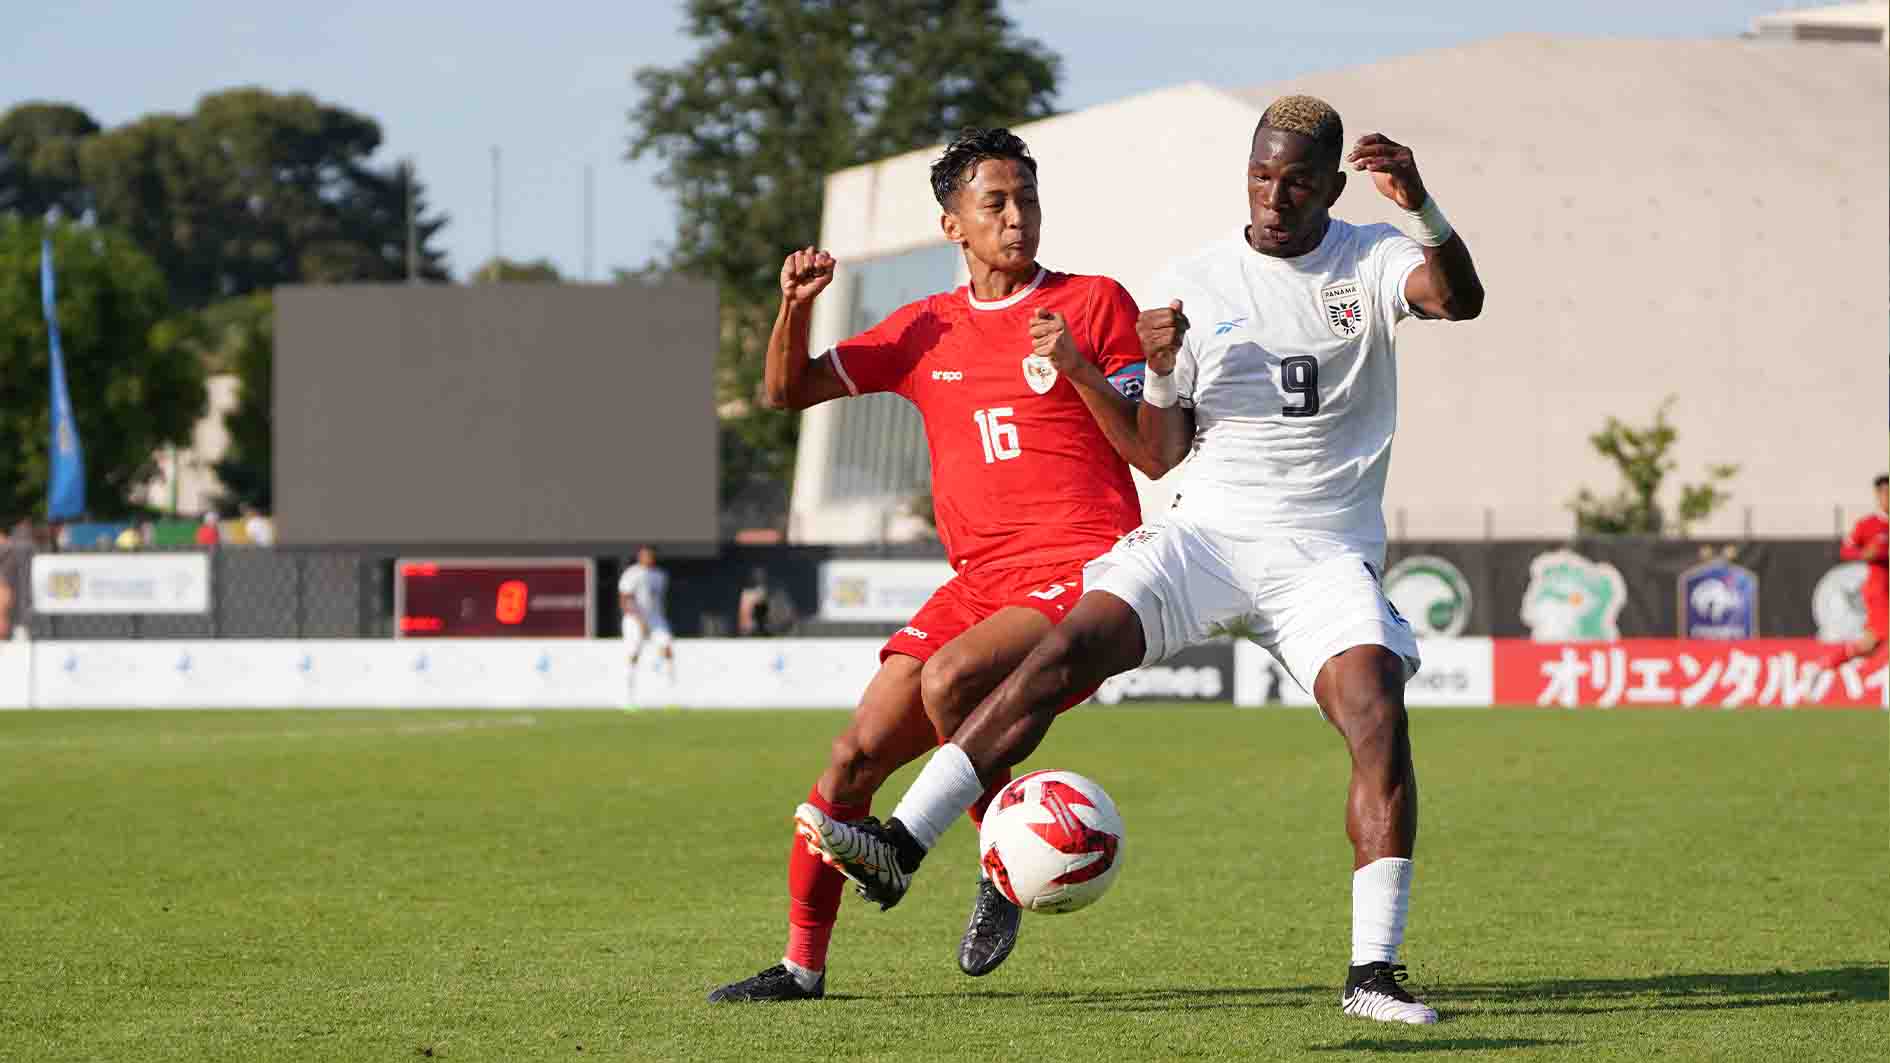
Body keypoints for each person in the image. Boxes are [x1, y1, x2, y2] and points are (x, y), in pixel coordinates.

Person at [798, 97, 1485, 1026]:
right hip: (1203, 533)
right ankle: (902, 845)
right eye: (1260, 175)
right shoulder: (1194, 278)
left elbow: (1459, 297)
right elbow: (1162, 446)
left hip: (1321, 550)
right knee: (1056, 657)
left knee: (1376, 715)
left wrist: (1422, 207)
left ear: (1330, 185)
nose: (1274, 196)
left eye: (1295, 180)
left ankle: (1374, 972)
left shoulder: (1370, 256)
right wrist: (1159, 369)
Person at [709, 128, 1164, 1003]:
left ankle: (1000, 871)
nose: (1016, 216)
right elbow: (785, 391)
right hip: (977, 578)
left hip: (1083, 562)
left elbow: (1149, 450)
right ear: (951, 223)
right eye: (994, 201)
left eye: (1026, 197)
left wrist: (1075, 367)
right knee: (847, 763)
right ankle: (803, 969)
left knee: (954, 677)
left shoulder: (1094, 301)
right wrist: (796, 304)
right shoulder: (927, 326)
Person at [1822, 474, 1889, 670]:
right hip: (1880, 592)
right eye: (1885, 493)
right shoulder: (1868, 525)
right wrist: (1864, 553)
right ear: (1878, 495)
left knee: (1869, 645)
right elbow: (1846, 550)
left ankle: (1823, 666)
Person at [619, 546, 675, 705]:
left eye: (650, 555)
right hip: (634, 618)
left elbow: (657, 600)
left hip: (655, 618)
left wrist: (655, 619)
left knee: (667, 647)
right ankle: (628, 696)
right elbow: (624, 599)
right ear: (639, 556)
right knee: (633, 653)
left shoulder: (660, 575)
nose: (648, 558)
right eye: (645, 555)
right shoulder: (632, 574)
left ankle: (670, 695)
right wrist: (639, 620)